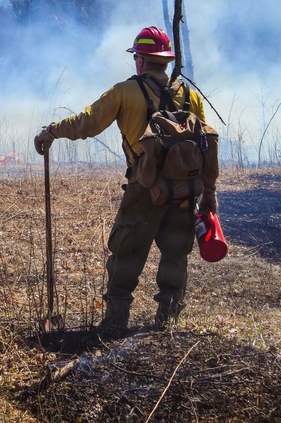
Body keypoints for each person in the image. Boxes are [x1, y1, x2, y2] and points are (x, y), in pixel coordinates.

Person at [34, 26, 218, 335]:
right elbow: (208, 145)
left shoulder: (124, 91)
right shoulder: (191, 96)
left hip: (144, 192)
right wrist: (209, 193)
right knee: (175, 257)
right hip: (184, 194)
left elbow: (86, 123)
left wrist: (51, 130)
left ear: (141, 60)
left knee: (125, 257)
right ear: (167, 61)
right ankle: (167, 324)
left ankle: (115, 326)